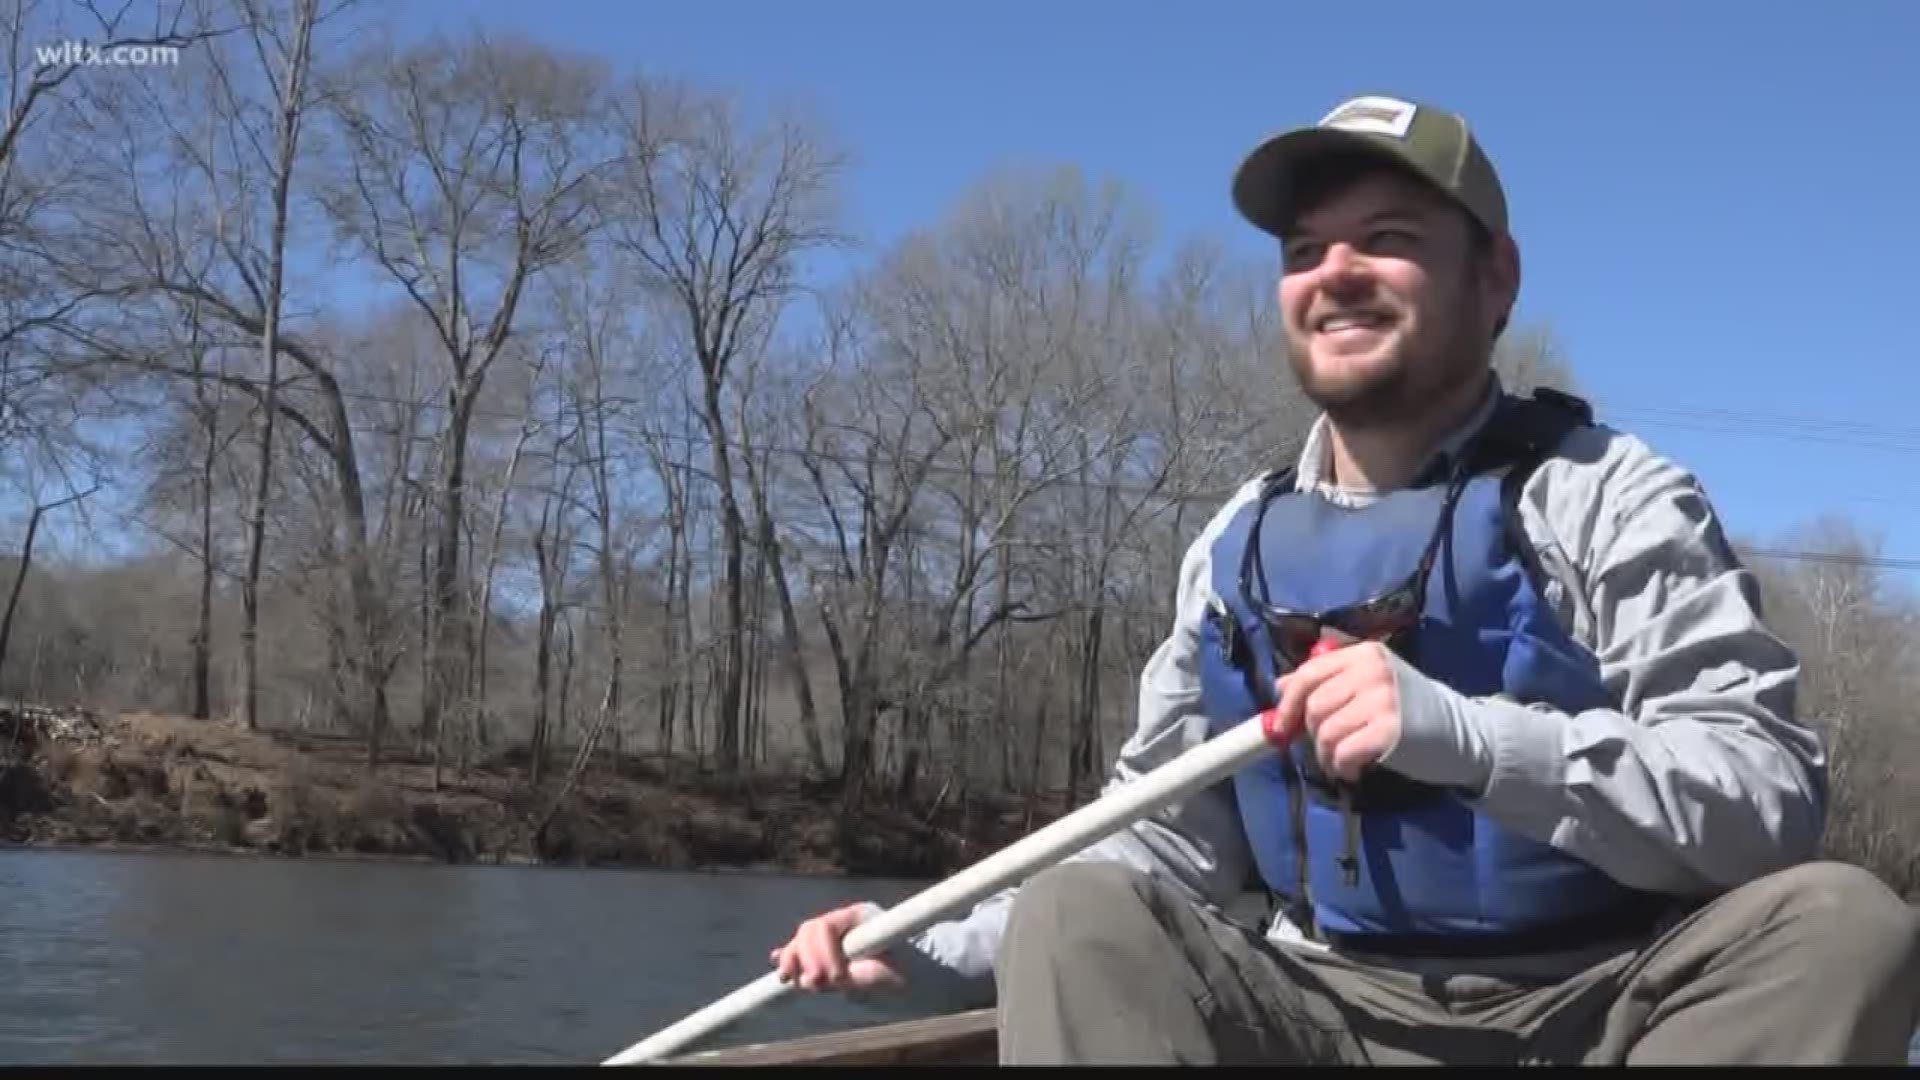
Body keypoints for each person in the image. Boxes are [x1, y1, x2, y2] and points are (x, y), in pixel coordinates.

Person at [768, 92, 1920, 1064]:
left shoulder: (1607, 497)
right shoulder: (1234, 547)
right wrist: (931, 939)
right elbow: (1165, 844)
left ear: (1494, 276)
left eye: (1389, 237)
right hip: (1319, 1012)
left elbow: (1765, 798)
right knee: (1077, 911)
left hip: (1595, 1005)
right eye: (1305, 252)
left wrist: (1469, 738)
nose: (1337, 275)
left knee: (1845, 926)